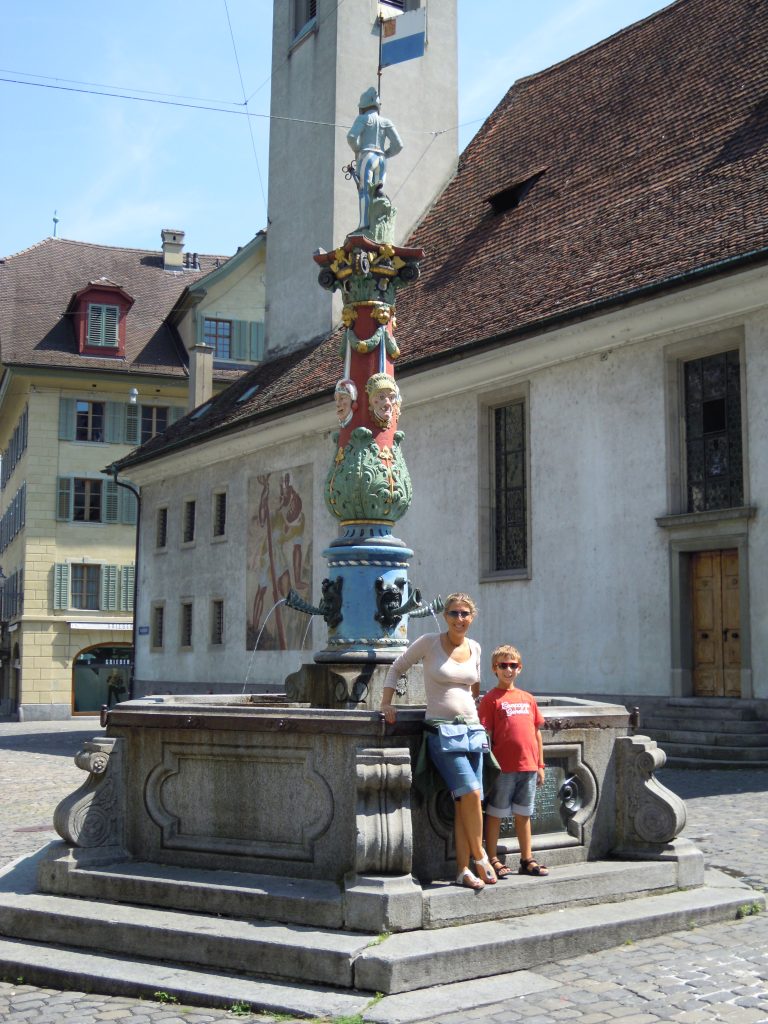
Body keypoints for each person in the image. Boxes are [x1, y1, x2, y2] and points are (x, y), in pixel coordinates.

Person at [380, 593, 497, 891]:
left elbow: (475, 686)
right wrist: (386, 704)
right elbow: (397, 666)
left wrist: (473, 708)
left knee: (467, 802)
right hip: (441, 732)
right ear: (445, 616)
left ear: (473, 617)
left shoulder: (476, 647)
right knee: (470, 792)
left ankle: (463, 871)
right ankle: (480, 854)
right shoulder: (429, 642)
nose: (460, 619)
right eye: (454, 613)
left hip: (472, 731)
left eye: (465, 613)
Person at [478, 645, 549, 878]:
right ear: (494, 669)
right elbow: (484, 733)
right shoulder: (491, 699)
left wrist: (540, 765)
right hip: (503, 769)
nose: (508, 670)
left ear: (520, 668)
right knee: (495, 813)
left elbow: (536, 733)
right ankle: (492, 858)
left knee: (524, 813)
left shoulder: (528, 699)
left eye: (513, 665)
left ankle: (526, 858)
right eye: (503, 666)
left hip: (528, 766)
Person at [346, 87, 403, 232]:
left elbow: (351, 137)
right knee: (378, 193)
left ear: (363, 107)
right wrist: (385, 154)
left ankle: (364, 223)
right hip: (382, 160)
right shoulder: (386, 122)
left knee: (364, 190)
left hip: (367, 157)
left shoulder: (363, 118)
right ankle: (378, 224)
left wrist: (358, 149)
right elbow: (398, 145)